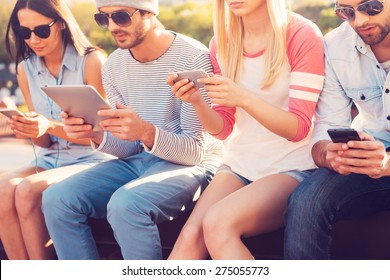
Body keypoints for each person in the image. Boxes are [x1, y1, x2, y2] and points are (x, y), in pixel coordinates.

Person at [41, 0, 224, 260]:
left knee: (126, 204)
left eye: (121, 17)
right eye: (104, 19)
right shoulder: (113, 65)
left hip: (193, 164)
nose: (112, 26)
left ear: (149, 12)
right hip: (140, 161)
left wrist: (146, 132)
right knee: (56, 198)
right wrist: (95, 133)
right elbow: (130, 148)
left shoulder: (193, 57)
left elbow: (195, 152)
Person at [167, 0, 325, 259]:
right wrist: (197, 100)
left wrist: (243, 98)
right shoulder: (222, 41)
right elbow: (222, 129)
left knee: (218, 224)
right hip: (240, 163)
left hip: (293, 165)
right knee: (189, 236)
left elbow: (298, 128)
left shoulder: (302, 34)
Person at [0, 0, 112, 260]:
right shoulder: (24, 69)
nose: (33, 39)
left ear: (61, 23)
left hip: (94, 160)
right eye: (24, 32)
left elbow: (102, 136)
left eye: (41, 30)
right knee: (4, 189)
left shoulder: (92, 61)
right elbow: (43, 144)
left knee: (27, 190)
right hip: (51, 159)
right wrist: (26, 127)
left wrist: (49, 125)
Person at [284, 0, 390, 259]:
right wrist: (328, 155)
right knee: (308, 200)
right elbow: (327, 127)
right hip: (368, 161)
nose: (360, 20)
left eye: (371, 6)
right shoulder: (335, 46)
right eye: (346, 11)